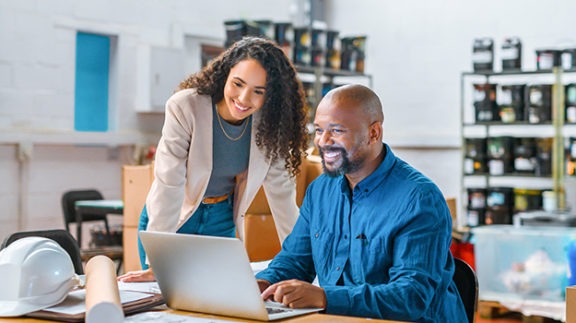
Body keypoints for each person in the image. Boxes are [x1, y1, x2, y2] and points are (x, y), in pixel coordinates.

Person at [255, 84, 467, 322]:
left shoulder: (419, 200)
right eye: (318, 130)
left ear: (373, 133)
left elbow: (411, 297)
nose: (323, 142)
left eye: (336, 131)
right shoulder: (320, 190)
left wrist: (325, 297)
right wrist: (263, 282)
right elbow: (294, 260)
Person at [118, 37, 308, 282]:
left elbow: (282, 194)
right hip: (173, 220)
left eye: (258, 92)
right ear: (225, 75)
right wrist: (158, 261)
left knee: (220, 303)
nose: (243, 98)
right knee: (166, 305)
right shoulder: (186, 106)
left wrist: (299, 263)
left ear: (271, 96)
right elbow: (169, 181)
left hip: (221, 221)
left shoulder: (270, 125)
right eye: (238, 84)